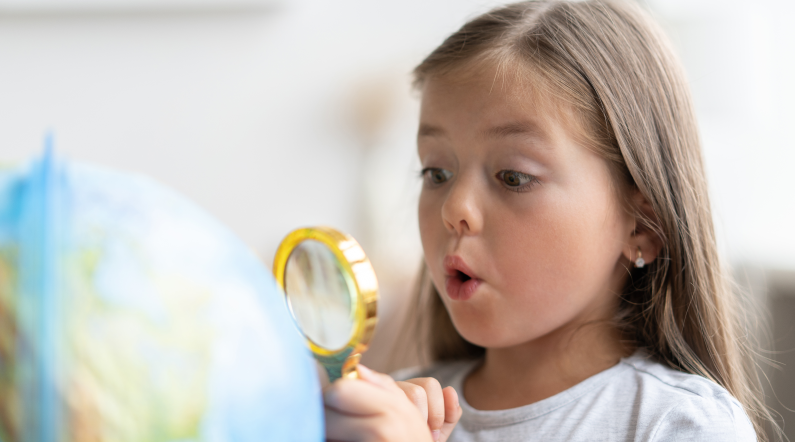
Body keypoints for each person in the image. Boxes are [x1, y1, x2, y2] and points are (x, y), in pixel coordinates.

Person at [322, 1, 779, 441]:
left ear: (642, 226)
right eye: (436, 172)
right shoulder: (393, 411)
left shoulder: (681, 424)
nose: (453, 208)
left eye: (514, 177)